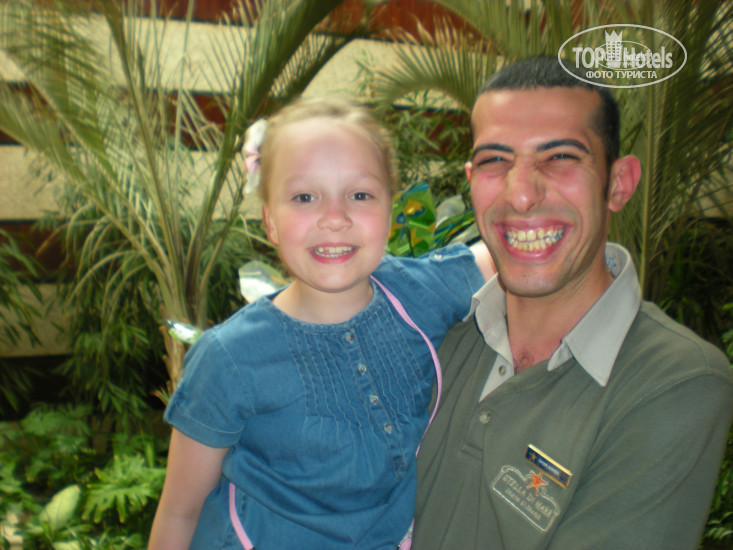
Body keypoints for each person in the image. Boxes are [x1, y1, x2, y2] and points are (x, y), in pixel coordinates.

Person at [412, 56, 733, 549]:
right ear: (471, 179)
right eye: (495, 160)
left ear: (618, 184)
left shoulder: (673, 381)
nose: (521, 195)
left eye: (560, 156)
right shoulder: (436, 329)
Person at [148, 96, 492, 549]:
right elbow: (179, 511)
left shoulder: (419, 293)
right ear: (270, 221)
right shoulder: (228, 358)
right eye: (304, 197)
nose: (334, 218)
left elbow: (512, 253)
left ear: (391, 212)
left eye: (360, 195)